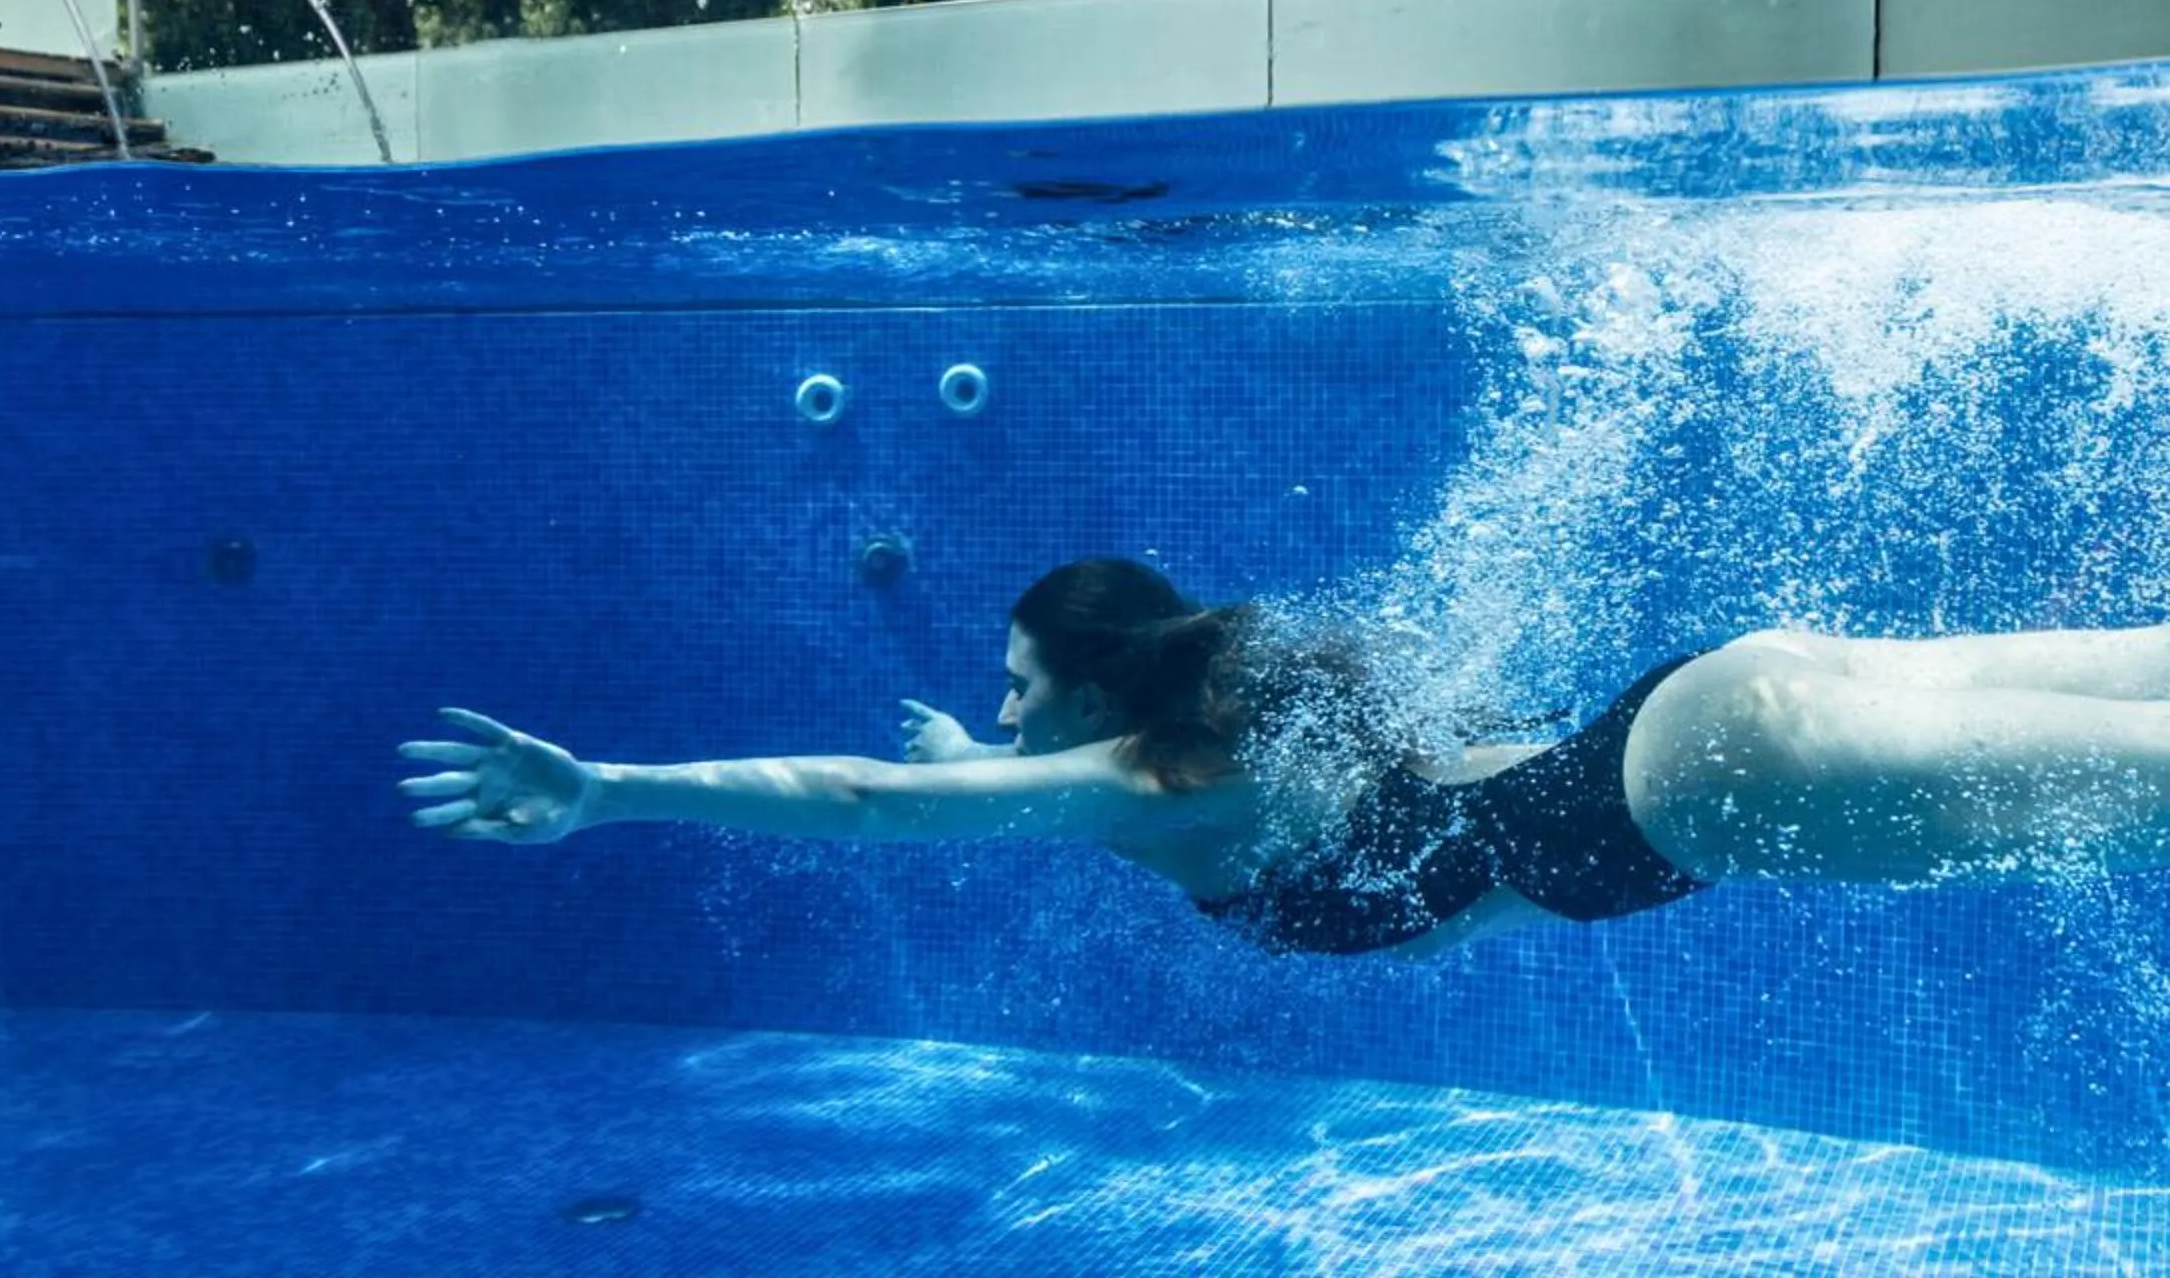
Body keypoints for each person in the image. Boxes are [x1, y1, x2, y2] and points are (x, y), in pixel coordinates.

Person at [397, 557, 2170, 957]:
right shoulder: (1218, 761)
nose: (997, 721)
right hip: (1721, 707)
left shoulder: (1157, 794)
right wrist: (967, 749)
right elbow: (947, 773)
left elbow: (863, 801)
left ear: (1102, 702)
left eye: (1016, 690)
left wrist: (608, 790)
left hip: (1707, 775)